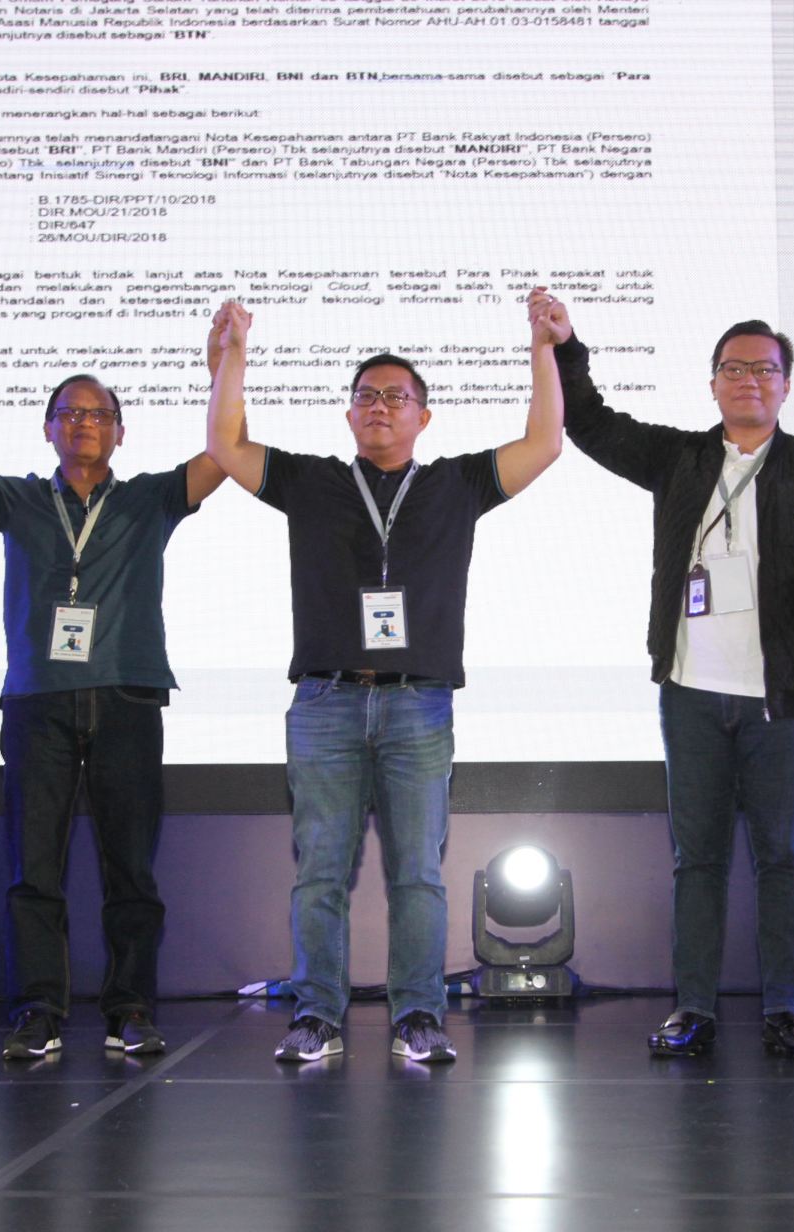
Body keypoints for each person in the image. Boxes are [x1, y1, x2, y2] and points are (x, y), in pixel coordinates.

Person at [203, 298, 563, 1063]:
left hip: (417, 703)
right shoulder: (310, 481)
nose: (379, 407)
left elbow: (543, 443)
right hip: (325, 700)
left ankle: (418, 1018)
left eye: (396, 397)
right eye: (366, 395)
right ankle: (317, 1018)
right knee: (319, 876)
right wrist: (232, 356)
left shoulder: (457, 483)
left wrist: (541, 348)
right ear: (348, 414)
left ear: (422, 418)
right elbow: (226, 445)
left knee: (417, 877)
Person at [532, 290, 794, 1058]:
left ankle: (784, 1010)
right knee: (696, 860)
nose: (748, 379)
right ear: (713, 382)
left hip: (782, 699)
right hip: (690, 693)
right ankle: (692, 1008)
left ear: (785, 385)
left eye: (763, 369)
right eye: (733, 368)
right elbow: (589, 422)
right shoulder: (681, 460)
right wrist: (565, 345)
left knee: (782, 857)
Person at [0, 311, 229, 1062]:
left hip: (128, 696)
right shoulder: (17, 500)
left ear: (120, 432)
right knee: (34, 871)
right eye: (69, 413)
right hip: (38, 701)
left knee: (130, 871)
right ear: (47, 428)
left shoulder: (148, 500)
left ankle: (130, 1009)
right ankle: (38, 1011)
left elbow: (223, 455)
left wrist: (221, 372)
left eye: (98, 414)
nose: (84, 423)